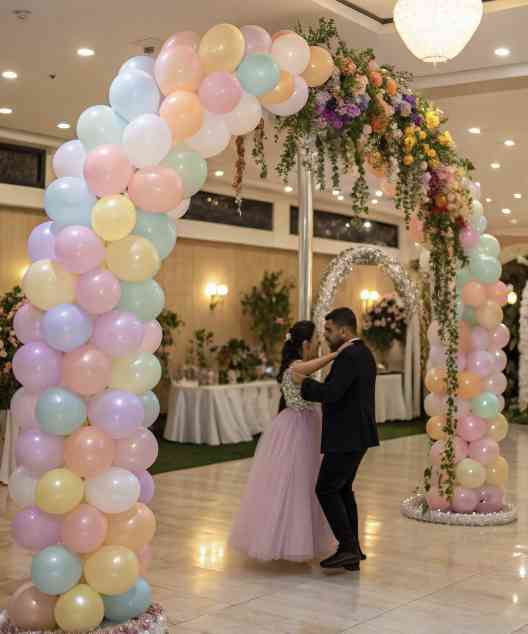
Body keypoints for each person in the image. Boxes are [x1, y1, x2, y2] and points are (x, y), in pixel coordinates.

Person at [229, 320, 351, 562]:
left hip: (305, 426)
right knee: (293, 483)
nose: (320, 342)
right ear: (306, 343)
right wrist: (336, 354)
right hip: (296, 430)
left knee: (305, 484)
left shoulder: (296, 365)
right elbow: (312, 366)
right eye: (317, 338)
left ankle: (301, 538)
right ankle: (285, 541)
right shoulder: (295, 366)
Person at [293, 307, 378, 570]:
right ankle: (354, 550)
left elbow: (332, 392)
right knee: (342, 489)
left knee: (326, 488)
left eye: (330, 331)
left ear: (344, 330)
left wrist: (302, 383)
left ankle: (348, 547)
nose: (327, 336)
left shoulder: (350, 355)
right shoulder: (362, 352)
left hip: (347, 435)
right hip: (356, 434)